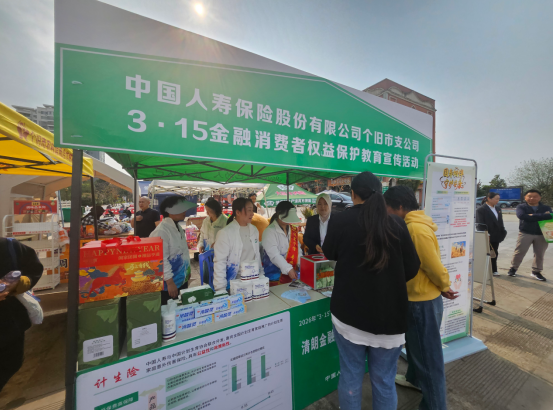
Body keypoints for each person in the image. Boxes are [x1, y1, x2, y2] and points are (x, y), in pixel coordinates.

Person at [322, 172, 420, 410]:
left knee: (351, 378)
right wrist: (388, 283)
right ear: (380, 193)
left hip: (349, 317)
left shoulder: (341, 220)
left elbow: (329, 253)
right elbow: (412, 267)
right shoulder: (397, 223)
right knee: (384, 382)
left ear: (353, 194)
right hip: (390, 320)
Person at [384, 186, 457, 410]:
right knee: (418, 349)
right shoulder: (414, 224)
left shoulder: (414, 229)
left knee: (428, 360)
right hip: (420, 298)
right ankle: (414, 379)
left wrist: (444, 285)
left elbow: (431, 264)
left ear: (399, 207)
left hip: (420, 302)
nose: (386, 213)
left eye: (387, 208)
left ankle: (435, 405)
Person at [0, 237, 43, 391]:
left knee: (12, 362)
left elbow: (34, 268)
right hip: (10, 324)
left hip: (10, 325)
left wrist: (21, 282)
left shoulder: (9, 245)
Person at [150, 196, 195, 304]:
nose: (184, 211)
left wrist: (187, 271)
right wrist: (170, 283)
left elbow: (183, 251)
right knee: (170, 308)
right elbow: (161, 259)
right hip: (169, 284)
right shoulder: (161, 231)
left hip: (181, 279)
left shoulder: (177, 227)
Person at [213, 198, 264, 291]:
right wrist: (220, 289)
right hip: (236, 283)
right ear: (238, 212)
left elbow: (257, 255)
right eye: (249, 210)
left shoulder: (254, 230)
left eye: (252, 210)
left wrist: (262, 276)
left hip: (254, 280)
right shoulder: (225, 233)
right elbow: (220, 263)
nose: (252, 214)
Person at [508, 189, 552, 281]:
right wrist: (541, 216)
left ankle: (536, 271)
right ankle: (513, 268)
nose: (532, 198)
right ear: (525, 197)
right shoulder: (521, 206)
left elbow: (549, 216)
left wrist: (531, 215)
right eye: (529, 196)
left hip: (541, 234)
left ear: (539, 198)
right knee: (519, 252)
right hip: (525, 232)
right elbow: (521, 216)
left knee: (539, 254)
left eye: (535, 196)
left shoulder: (546, 208)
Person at [262, 201, 303, 286]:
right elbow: (274, 255)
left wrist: (302, 265)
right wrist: (288, 269)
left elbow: (298, 251)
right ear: (279, 214)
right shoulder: (269, 231)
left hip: (293, 275)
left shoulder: (293, 230)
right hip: (275, 277)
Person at [476, 192, 507, 276]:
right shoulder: (481, 210)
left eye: (498, 199)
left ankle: (494, 269)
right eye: (496, 199)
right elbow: (479, 224)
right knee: (486, 253)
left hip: (496, 235)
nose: (498, 200)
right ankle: (484, 270)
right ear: (489, 198)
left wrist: (503, 231)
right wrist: (485, 235)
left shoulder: (498, 208)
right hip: (487, 235)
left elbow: (500, 222)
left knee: (494, 252)